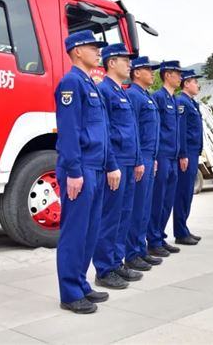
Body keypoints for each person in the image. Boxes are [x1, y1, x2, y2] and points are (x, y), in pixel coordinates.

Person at [54, 30, 111, 314]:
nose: (98, 51)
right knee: (75, 232)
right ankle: (69, 292)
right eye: (93, 47)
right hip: (81, 169)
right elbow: (69, 132)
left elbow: (101, 130)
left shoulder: (90, 84)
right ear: (77, 51)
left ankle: (82, 283)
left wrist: (109, 165)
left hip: (96, 167)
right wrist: (74, 170)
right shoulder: (70, 84)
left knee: (90, 232)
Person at [92, 43, 144, 290]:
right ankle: (103, 268)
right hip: (115, 164)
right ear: (111, 62)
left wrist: (136, 161)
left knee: (124, 215)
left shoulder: (121, 92)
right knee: (111, 216)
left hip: (128, 162)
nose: (129, 64)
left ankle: (116, 261)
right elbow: (106, 132)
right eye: (125, 60)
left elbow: (130, 131)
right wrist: (112, 163)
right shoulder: (104, 90)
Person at [124, 56, 163, 272]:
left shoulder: (145, 96)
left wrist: (154, 157)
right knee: (137, 207)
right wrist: (139, 158)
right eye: (148, 70)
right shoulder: (133, 95)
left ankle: (140, 249)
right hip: (140, 157)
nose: (152, 74)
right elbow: (134, 132)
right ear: (137, 73)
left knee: (144, 207)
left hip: (150, 156)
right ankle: (131, 254)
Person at [148, 61, 184, 254]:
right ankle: (152, 240)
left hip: (173, 156)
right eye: (177, 74)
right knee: (158, 199)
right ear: (167, 75)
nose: (180, 77)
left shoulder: (174, 99)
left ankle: (160, 236)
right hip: (162, 154)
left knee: (168, 200)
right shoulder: (159, 98)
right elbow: (156, 129)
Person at [173, 69, 205, 246]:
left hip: (194, 152)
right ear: (186, 83)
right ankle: (180, 232)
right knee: (183, 193)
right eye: (194, 81)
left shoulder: (192, 103)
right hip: (187, 153)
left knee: (188, 194)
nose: (197, 85)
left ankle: (183, 228)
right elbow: (181, 131)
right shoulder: (182, 102)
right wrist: (183, 153)